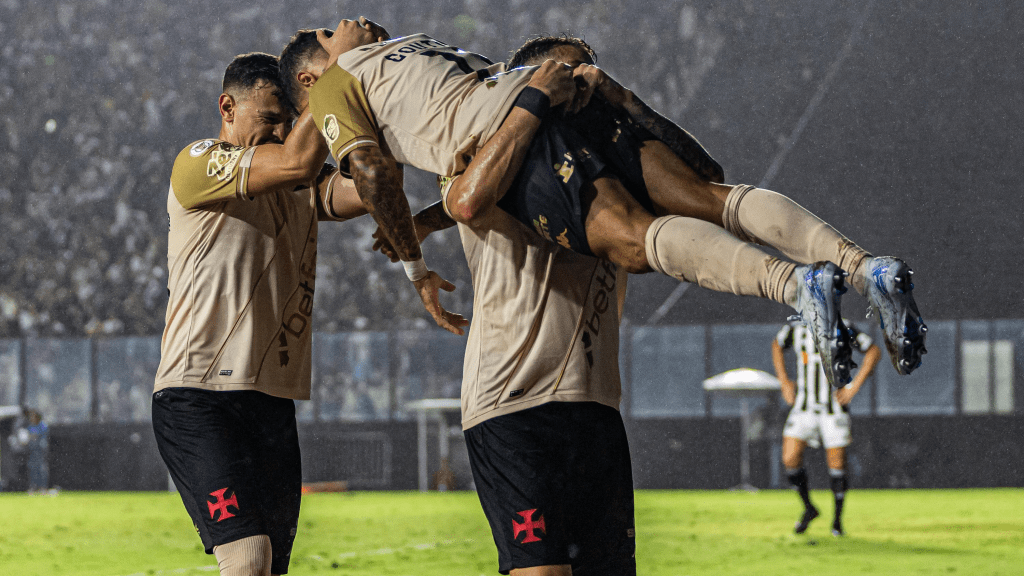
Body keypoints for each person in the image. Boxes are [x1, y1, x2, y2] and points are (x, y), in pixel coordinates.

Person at [279, 19, 926, 389]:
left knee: (635, 240)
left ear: (311, 78)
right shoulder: (422, 47)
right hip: (552, 100)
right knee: (714, 199)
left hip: (518, 138)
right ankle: (862, 266)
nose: (344, 23)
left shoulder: (336, 81)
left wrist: (416, 269)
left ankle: (796, 285)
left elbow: (374, 170)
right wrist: (424, 217)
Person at [374, 56, 634, 574]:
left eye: (584, 79)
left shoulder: (612, 170)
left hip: (595, 399)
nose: (575, 88)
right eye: (562, 77)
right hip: (514, 400)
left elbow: (706, 178)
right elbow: (467, 198)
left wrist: (625, 101)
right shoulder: (492, 156)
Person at [151, 52, 373, 576]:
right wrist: (335, 72)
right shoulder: (199, 161)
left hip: (270, 402)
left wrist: (369, 108)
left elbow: (369, 190)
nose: (280, 131)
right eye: (270, 119)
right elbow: (296, 162)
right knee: (247, 557)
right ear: (227, 108)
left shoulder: (300, 184)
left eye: (288, 121)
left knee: (270, 567)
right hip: (198, 394)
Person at [773, 318, 881, 537]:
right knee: (790, 458)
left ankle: (837, 522)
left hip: (833, 408)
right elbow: (777, 345)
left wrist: (854, 386)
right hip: (803, 406)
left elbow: (873, 351)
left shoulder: (843, 327)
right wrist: (784, 381)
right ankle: (809, 508)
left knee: (837, 463)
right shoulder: (796, 327)